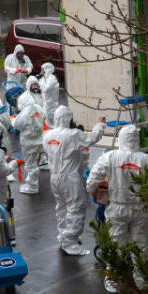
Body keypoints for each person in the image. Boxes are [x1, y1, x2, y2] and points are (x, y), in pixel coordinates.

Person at [86, 124, 148, 292]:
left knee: (116, 244)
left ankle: (114, 280)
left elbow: (91, 182)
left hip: (117, 207)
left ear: (121, 139)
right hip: (140, 208)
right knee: (140, 244)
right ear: (137, 140)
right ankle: (142, 280)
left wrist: (97, 193)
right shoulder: (147, 159)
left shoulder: (109, 157)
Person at [43, 106, 106, 256]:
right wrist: (100, 125)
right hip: (70, 178)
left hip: (54, 177)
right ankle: (70, 242)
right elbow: (93, 137)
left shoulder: (47, 136)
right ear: (68, 118)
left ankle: (63, 236)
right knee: (75, 208)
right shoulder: (73, 135)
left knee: (62, 207)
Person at [11, 77, 47, 194]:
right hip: (38, 139)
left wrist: (13, 119)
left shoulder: (24, 113)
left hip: (28, 142)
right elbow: (44, 117)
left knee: (30, 165)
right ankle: (31, 180)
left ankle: (32, 186)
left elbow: (17, 126)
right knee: (34, 161)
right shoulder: (38, 108)